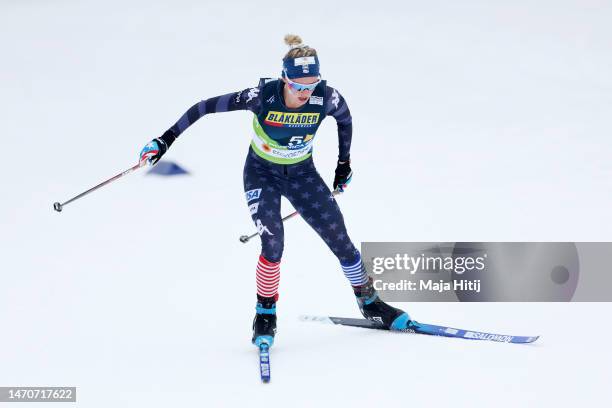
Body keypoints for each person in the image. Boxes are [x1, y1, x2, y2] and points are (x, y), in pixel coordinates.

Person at [139, 34, 411, 348]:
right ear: (284, 79)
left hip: (302, 175)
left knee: (340, 239)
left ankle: (370, 303)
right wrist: (165, 140)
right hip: (261, 174)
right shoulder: (261, 96)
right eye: (297, 87)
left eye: (311, 86)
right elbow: (203, 107)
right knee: (273, 243)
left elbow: (345, 120)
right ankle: (265, 313)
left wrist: (343, 164)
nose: (304, 94)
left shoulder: (328, 98)